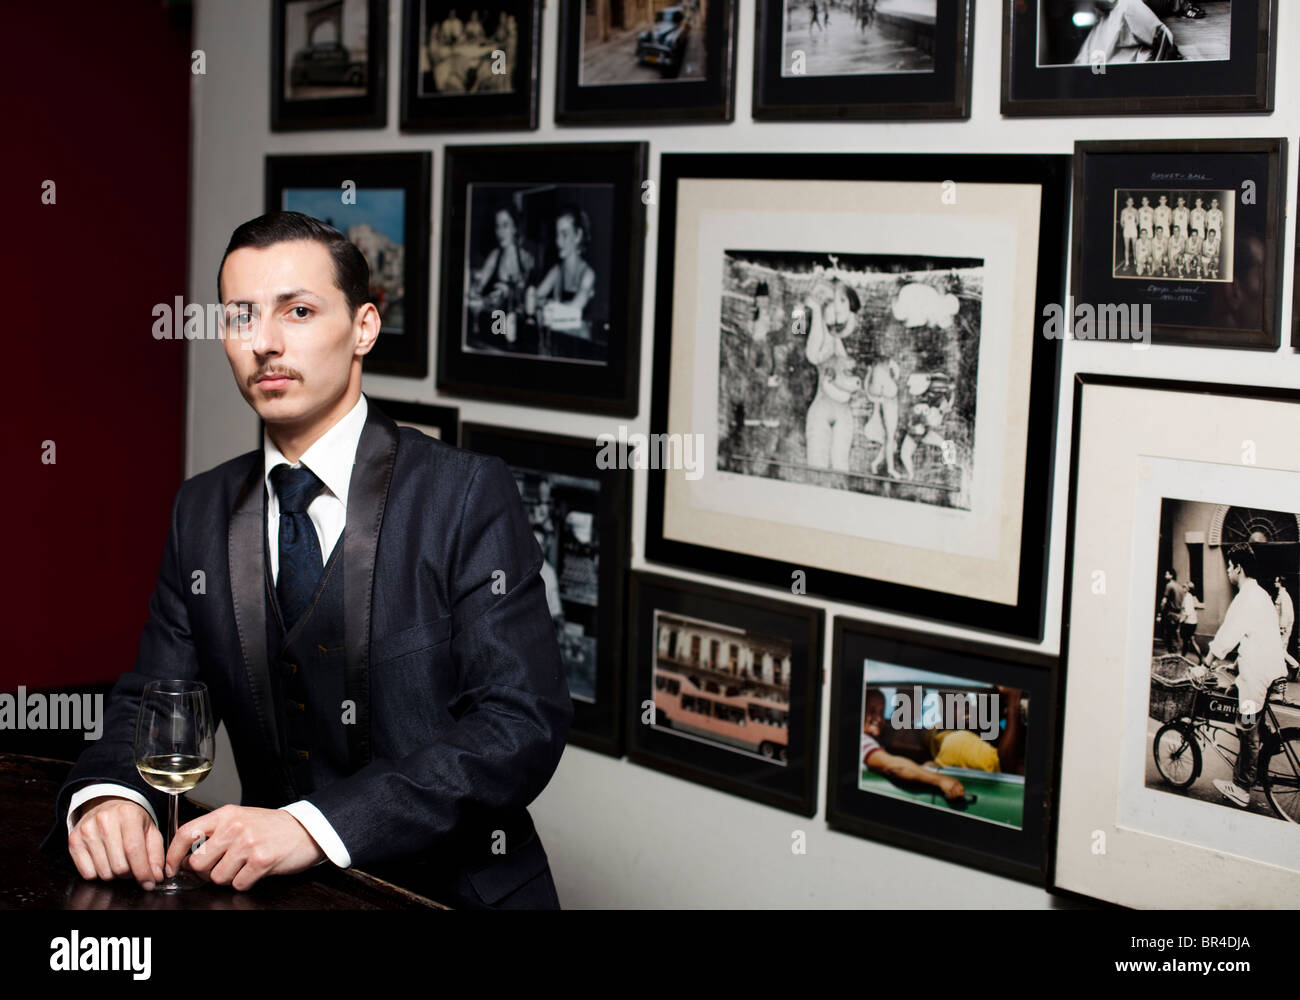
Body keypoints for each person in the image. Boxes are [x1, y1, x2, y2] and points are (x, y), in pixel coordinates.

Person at [45, 211, 572, 909]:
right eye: (240, 317)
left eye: (297, 310)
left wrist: (315, 827)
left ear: (363, 328)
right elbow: (152, 701)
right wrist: (112, 796)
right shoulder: (200, 509)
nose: (264, 343)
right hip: (278, 897)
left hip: (457, 895)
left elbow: (519, 723)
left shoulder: (467, 493)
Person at [1205, 544, 1286, 808]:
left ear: (1238, 568)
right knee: (1251, 718)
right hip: (1268, 671)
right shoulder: (1260, 594)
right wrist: (1236, 665)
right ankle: (1272, 741)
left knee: (1246, 727)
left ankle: (1241, 787)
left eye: (1229, 566)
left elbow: (1228, 636)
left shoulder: (1246, 598)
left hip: (1257, 679)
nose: (1228, 571)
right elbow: (1256, 636)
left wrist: (1206, 664)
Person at [861, 690, 966, 804]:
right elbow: (893, 766)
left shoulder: (879, 737)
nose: (879, 718)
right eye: (871, 711)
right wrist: (940, 780)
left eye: (881, 713)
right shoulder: (862, 740)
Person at [468, 204, 535, 345]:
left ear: (515, 228)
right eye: (497, 226)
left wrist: (509, 291)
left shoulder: (525, 258)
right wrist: (474, 284)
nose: (500, 232)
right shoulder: (495, 255)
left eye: (505, 225)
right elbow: (478, 286)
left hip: (520, 325)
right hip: (497, 320)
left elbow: (529, 297)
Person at [530, 205, 596, 336]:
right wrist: (534, 298)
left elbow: (574, 309)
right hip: (558, 339)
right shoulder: (557, 270)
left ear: (578, 235)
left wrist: (547, 305)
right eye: (557, 234)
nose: (558, 242)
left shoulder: (588, 274)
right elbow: (535, 297)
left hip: (580, 345)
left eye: (564, 234)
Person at [1275, 576, 1299, 680]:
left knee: (1280, 650)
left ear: (1280, 583)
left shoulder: (1284, 596)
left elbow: (1285, 612)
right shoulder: (1283, 595)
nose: (1274, 583)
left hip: (1284, 627)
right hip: (1283, 626)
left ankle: (1295, 665)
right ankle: (1287, 669)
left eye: (1276, 581)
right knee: (1280, 649)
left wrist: (1282, 627)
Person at [1159, 568, 1184, 653]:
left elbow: (1164, 601)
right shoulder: (1180, 587)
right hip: (1178, 614)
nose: (1165, 576)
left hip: (1170, 614)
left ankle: (1171, 654)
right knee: (1175, 635)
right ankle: (1176, 652)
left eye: (1167, 574)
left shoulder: (1169, 585)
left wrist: (1160, 613)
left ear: (1171, 575)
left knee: (1168, 636)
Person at [1179, 580, 1202, 664]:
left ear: (1188, 589)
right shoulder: (1191, 597)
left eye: (1184, 587)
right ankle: (1183, 657)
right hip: (1192, 622)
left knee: (1189, 641)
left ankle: (1199, 658)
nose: (1183, 588)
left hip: (1188, 623)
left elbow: (1187, 612)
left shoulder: (1188, 597)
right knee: (1188, 641)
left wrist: (1181, 621)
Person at [1119, 196, 1138, 269]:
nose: (1130, 203)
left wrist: (1132, 226)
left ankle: (1136, 262)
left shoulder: (1135, 211)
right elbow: (1121, 222)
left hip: (1133, 230)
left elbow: (1137, 222)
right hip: (1126, 231)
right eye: (1129, 201)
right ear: (1127, 202)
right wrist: (1126, 227)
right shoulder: (1123, 211)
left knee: (1134, 247)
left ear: (1133, 203)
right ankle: (1127, 263)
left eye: (1131, 201)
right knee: (1126, 247)